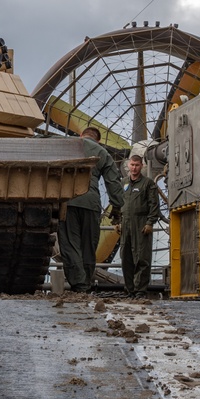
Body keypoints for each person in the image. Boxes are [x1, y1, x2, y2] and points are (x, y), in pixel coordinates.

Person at [57, 127, 124, 293]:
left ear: (81, 135)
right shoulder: (104, 154)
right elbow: (114, 185)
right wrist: (117, 208)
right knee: (89, 245)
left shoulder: (66, 144)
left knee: (70, 245)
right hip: (91, 204)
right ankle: (85, 283)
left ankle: (79, 285)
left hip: (68, 201)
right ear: (98, 140)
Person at [116, 154, 161, 298]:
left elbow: (154, 204)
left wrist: (150, 222)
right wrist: (117, 222)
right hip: (125, 224)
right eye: (132, 165)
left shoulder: (148, 184)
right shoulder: (122, 183)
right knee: (126, 257)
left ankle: (140, 290)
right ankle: (130, 290)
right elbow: (116, 203)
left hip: (141, 224)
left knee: (142, 257)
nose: (134, 168)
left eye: (137, 165)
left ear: (141, 166)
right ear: (128, 165)